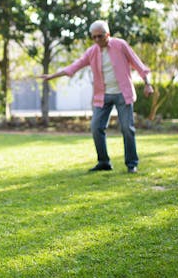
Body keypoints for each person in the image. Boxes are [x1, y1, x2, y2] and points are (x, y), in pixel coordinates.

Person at [40, 20, 154, 173]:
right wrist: (53, 76)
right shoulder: (92, 52)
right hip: (103, 96)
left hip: (122, 94)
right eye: (93, 37)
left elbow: (138, 64)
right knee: (95, 127)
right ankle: (104, 162)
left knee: (127, 128)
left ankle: (131, 164)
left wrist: (147, 83)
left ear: (107, 34)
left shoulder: (120, 45)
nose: (97, 40)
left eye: (100, 36)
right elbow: (74, 66)